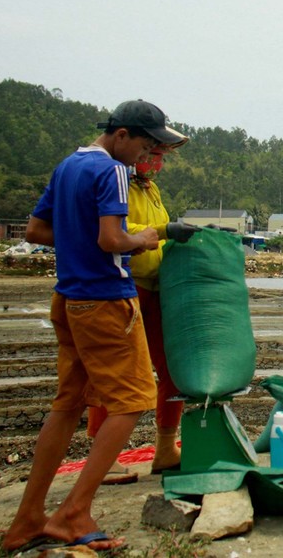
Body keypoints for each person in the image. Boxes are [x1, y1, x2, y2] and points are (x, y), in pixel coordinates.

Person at [2, 100, 183, 553]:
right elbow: (112, 240)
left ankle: (28, 518)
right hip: (105, 300)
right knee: (134, 398)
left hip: (68, 299)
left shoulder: (68, 166)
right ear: (120, 134)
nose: (145, 155)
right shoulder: (113, 172)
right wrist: (150, 237)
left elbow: (36, 231)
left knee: (67, 404)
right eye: (144, 144)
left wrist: (86, 242)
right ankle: (74, 511)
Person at [87, 127, 201, 485]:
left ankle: (166, 447)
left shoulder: (150, 189)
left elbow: (157, 232)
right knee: (114, 371)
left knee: (172, 369)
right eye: (154, 153)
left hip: (157, 286)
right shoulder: (116, 179)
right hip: (125, 284)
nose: (156, 162)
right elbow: (118, 228)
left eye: (162, 157)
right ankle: (103, 456)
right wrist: (167, 230)